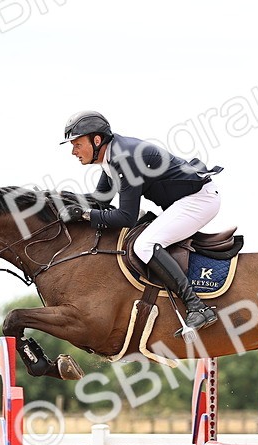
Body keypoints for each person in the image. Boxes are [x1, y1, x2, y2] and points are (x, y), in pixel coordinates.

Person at [59, 110, 221, 333]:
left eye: (77, 144)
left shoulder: (125, 159)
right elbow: (101, 199)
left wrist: (85, 215)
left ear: (96, 140)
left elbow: (126, 217)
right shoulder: (111, 156)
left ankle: (197, 307)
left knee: (143, 245)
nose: (73, 151)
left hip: (198, 201)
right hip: (183, 201)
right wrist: (61, 201)